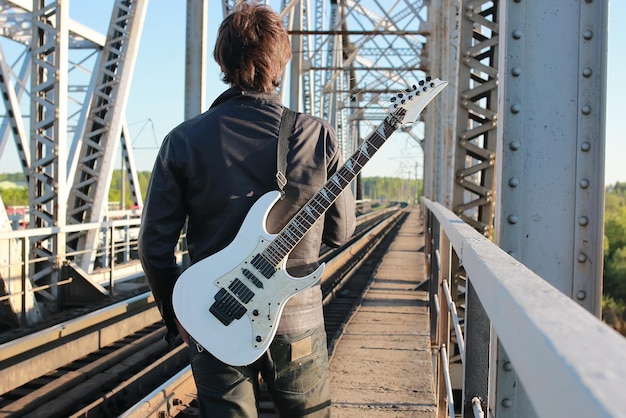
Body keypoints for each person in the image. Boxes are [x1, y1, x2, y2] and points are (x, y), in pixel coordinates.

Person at [137, 1, 356, 416]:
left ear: (222, 60)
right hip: (297, 319)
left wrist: (177, 314)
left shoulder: (183, 141)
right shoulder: (319, 136)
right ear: (281, 64)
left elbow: (153, 247)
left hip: (215, 315)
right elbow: (339, 235)